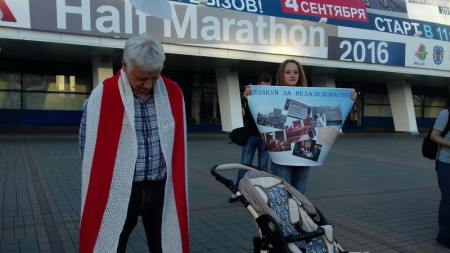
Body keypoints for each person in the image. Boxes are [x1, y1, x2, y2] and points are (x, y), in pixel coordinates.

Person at [78, 33, 190, 253]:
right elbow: (87, 148)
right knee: (110, 245)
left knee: (165, 247)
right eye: (141, 78)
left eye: (155, 77)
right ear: (124, 66)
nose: (148, 84)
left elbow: (176, 146)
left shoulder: (173, 92)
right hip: (119, 189)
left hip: (161, 189)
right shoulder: (101, 96)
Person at [243, 59, 357, 195]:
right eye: (288, 72)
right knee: (284, 194)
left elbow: (325, 117)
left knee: (300, 194)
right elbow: (257, 115)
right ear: (282, 75)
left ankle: (298, 216)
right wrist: (248, 98)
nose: (292, 75)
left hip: (304, 152)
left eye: (296, 72)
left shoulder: (309, 95)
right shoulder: (270, 94)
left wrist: (349, 98)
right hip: (281, 154)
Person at [229, 73, 272, 203]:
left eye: (267, 87)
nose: (265, 90)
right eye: (262, 87)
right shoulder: (251, 96)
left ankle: (262, 192)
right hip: (252, 135)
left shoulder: (272, 98)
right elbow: (245, 115)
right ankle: (238, 191)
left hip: (265, 137)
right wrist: (246, 99)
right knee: (244, 165)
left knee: (263, 167)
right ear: (258, 85)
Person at [430, 102, 450, 249]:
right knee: (448, 198)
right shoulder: (446, 113)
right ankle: (443, 236)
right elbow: (434, 136)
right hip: (445, 163)